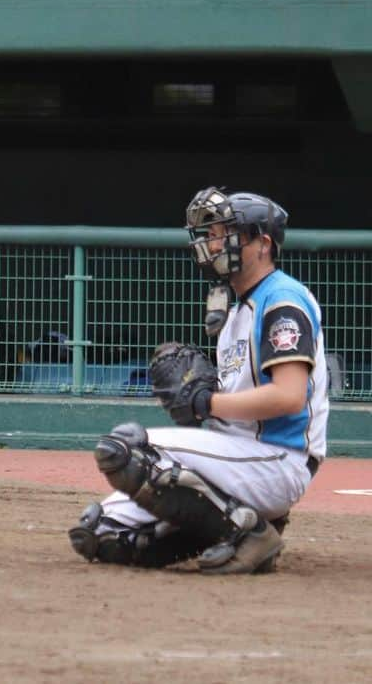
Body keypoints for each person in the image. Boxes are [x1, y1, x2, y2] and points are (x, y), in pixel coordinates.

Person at [68, 186, 328, 574]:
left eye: (225, 232)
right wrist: (203, 402)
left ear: (263, 244)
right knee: (99, 533)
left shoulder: (282, 301)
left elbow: (289, 396)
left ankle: (249, 534)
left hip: (276, 458)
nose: (212, 241)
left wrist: (207, 402)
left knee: (124, 449)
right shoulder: (236, 307)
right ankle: (245, 522)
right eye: (210, 233)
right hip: (237, 456)